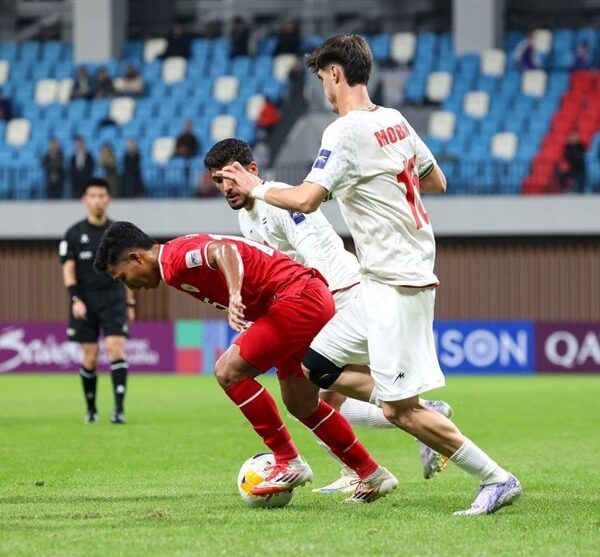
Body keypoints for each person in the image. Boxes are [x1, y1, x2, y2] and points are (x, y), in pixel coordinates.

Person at [217, 34, 523, 516]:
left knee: (400, 410)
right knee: (318, 365)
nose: (323, 88)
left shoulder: (343, 132)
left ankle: (496, 478)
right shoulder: (394, 121)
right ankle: (414, 410)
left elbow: (306, 199)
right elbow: (435, 180)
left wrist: (260, 185)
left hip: (398, 282)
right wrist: (374, 181)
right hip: (379, 280)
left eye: (321, 78)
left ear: (335, 73)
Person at [205, 137, 454, 493]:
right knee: (321, 401)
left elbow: (314, 251)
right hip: (322, 299)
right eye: (218, 181)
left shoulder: (278, 199)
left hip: (339, 295)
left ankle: (420, 418)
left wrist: (312, 303)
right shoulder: (249, 218)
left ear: (252, 170)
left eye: (231, 176)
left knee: (317, 399)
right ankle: (372, 458)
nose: (226, 188)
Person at [94, 221, 398, 503]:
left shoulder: (173, 260)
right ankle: (371, 473)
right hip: (302, 298)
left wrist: (235, 294)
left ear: (135, 258)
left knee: (228, 372)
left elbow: (223, 251)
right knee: (301, 404)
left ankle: (287, 461)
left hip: (295, 300)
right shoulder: (175, 255)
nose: (129, 287)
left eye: (123, 278)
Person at [59, 178, 136, 424]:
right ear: (84, 200)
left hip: (113, 299)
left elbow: (129, 270)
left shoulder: (119, 233)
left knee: (116, 349)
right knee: (90, 356)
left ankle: (118, 410)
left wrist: (130, 304)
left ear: (108, 199)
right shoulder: (73, 233)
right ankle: (91, 409)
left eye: (101, 195)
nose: (97, 200)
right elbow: (68, 271)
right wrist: (75, 299)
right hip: (85, 301)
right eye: (92, 196)